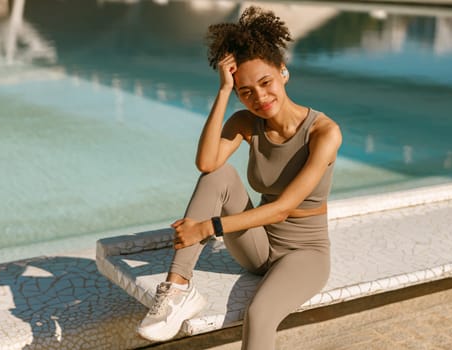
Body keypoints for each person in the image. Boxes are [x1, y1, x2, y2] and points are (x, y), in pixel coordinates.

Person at [137, 6, 342, 349]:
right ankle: (177, 288)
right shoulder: (246, 123)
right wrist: (222, 92)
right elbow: (206, 164)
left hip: (304, 253)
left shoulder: (323, 132)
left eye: (266, 83)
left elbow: (283, 209)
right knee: (219, 174)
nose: (259, 98)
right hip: (258, 246)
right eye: (245, 91)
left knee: (260, 313)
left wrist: (207, 228)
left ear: (283, 72)